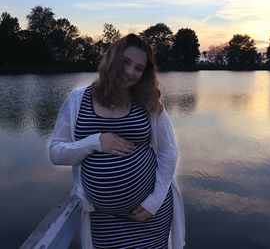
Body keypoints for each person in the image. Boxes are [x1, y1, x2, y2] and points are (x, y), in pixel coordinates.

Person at [49, 34, 185, 249]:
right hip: (104, 219)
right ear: (112, 58)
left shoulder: (148, 101)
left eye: (139, 68)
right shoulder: (77, 99)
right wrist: (95, 142)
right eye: (126, 62)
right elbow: (56, 152)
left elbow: (169, 151)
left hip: (149, 214)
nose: (131, 72)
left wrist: (154, 201)